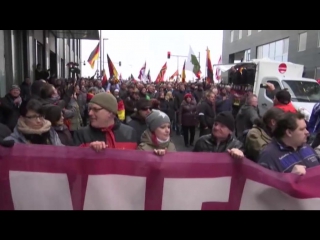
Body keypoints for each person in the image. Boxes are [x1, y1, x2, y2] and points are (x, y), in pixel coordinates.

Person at [72, 92, 137, 150]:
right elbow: (75, 161)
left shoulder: (129, 133)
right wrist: (89, 151)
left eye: (95, 109)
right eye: (90, 109)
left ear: (110, 112)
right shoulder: (81, 134)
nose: (90, 113)